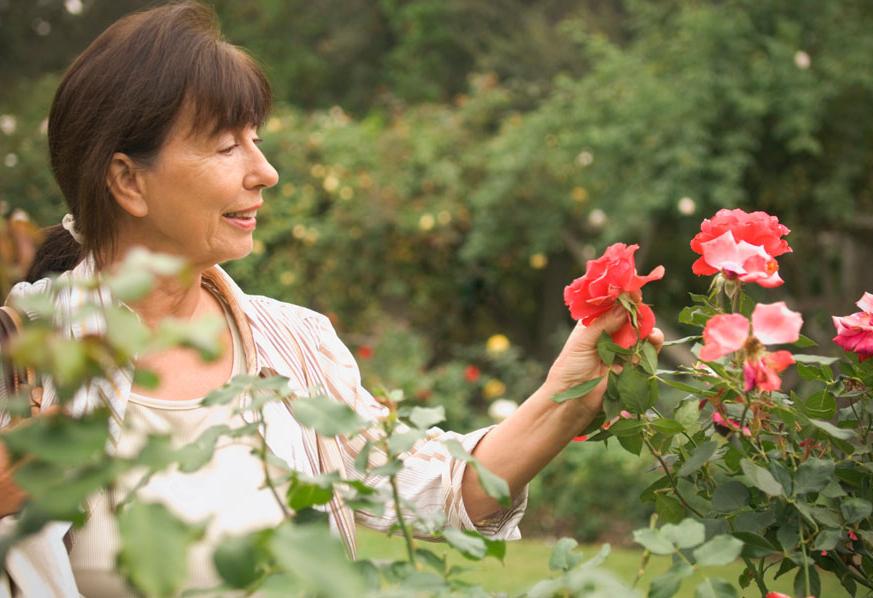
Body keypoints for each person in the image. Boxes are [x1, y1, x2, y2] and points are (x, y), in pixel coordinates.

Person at [1, 2, 662, 595]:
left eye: (256, 140)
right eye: (227, 145)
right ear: (127, 180)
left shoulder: (296, 347)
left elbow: (437, 493)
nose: (265, 171)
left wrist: (569, 394)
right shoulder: (25, 357)